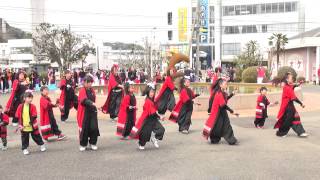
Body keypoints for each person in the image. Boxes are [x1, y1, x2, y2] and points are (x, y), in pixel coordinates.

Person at [203, 78, 239, 145]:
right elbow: (223, 105)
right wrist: (232, 111)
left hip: (221, 112)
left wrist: (232, 94)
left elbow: (225, 100)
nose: (226, 85)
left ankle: (231, 139)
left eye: (226, 84)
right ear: (220, 85)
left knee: (226, 126)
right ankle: (214, 139)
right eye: (225, 84)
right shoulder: (219, 93)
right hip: (217, 113)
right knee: (217, 126)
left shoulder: (222, 93)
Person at [130, 83, 165, 150]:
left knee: (161, 130)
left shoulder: (152, 100)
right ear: (148, 92)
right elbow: (153, 112)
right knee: (144, 134)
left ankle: (153, 136)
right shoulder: (148, 101)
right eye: (151, 92)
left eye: (153, 92)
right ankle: (141, 143)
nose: (152, 93)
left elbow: (155, 111)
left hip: (153, 118)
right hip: (147, 119)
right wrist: (160, 117)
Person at [274, 72, 308, 137]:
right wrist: (301, 104)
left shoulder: (289, 86)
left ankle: (301, 132)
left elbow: (294, 86)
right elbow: (294, 98)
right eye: (291, 78)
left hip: (290, 105)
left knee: (295, 118)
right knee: (289, 120)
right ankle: (281, 133)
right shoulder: (287, 88)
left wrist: (299, 83)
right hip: (287, 107)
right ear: (287, 79)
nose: (292, 79)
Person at [77, 75, 100, 151]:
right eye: (88, 82)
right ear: (84, 82)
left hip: (93, 111)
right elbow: (83, 100)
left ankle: (93, 143)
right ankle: (83, 144)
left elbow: (94, 100)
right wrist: (92, 103)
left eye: (91, 82)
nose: (90, 84)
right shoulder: (82, 90)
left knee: (94, 127)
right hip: (84, 112)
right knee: (85, 128)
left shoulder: (92, 90)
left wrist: (96, 106)